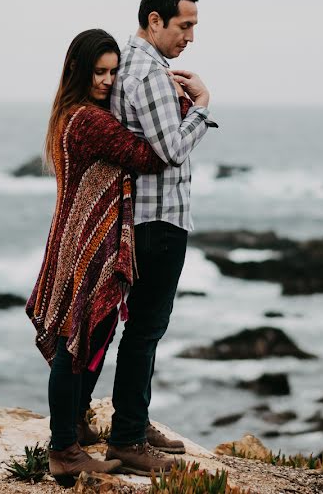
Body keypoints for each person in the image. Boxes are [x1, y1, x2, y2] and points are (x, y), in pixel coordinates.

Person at [25, 28, 195, 486]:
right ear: (78, 73)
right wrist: (190, 106)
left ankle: (74, 431)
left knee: (88, 341)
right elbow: (150, 155)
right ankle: (64, 450)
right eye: (99, 72)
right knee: (75, 346)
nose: (108, 80)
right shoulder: (88, 121)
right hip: (88, 248)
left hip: (77, 243)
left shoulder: (72, 115)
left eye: (113, 71)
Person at [105, 0, 217, 476]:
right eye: (184, 25)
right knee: (146, 329)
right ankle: (128, 437)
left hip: (149, 217)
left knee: (142, 329)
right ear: (155, 21)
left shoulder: (145, 69)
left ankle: (133, 421)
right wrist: (204, 106)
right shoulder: (148, 73)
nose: (190, 37)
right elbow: (171, 149)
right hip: (158, 219)